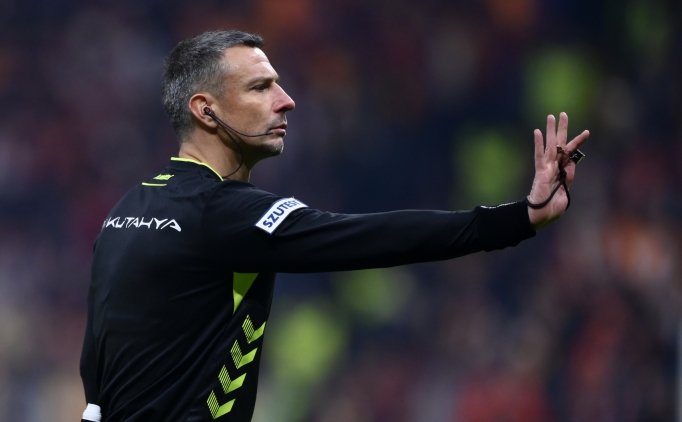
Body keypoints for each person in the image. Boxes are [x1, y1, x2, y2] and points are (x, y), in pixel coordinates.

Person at [79, 30, 589, 422]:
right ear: (206, 111)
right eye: (261, 87)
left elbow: (96, 370)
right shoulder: (225, 213)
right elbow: (371, 239)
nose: (286, 100)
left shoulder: (126, 209)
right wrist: (519, 217)